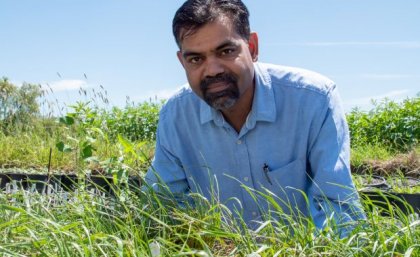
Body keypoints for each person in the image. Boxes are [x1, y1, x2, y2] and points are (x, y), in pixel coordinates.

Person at [145, 0, 365, 236]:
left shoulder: (314, 100)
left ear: (252, 47)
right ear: (182, 62)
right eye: (196, 59)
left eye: (226, 51)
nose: (212, 70)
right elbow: (164, 208)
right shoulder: (176, 117)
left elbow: (337, 209)